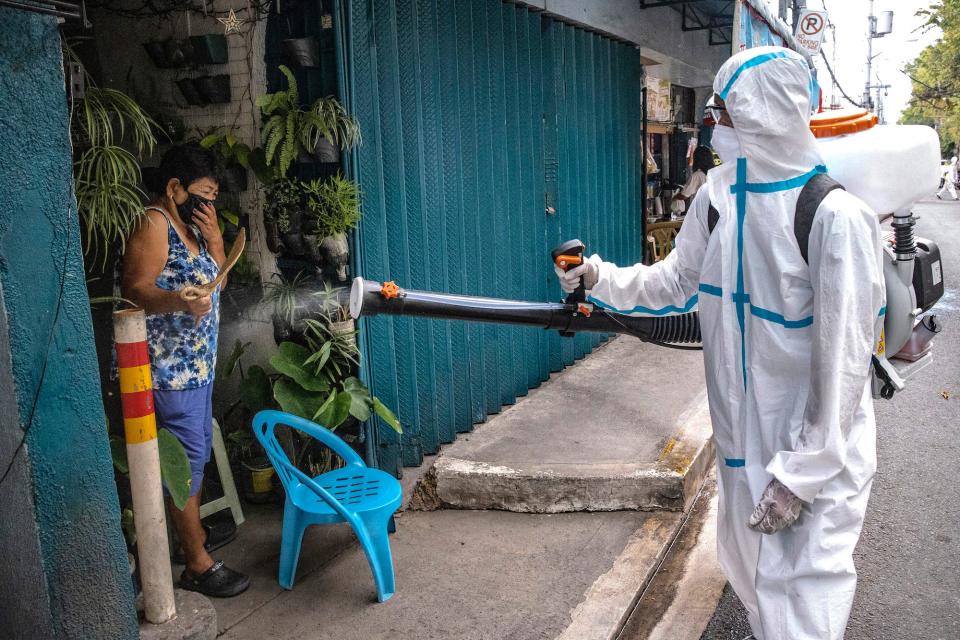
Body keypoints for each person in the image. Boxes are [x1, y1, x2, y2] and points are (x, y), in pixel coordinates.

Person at [556, 47, 883, 639]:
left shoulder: (835, 217)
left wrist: (804, 473)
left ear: (769, 116)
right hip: (741, 438)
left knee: (809, 589)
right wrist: (601, 277)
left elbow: (844, 363)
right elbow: (673, 283)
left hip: (815, 449)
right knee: (755, 575)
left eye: (726, 115)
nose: (715, 128)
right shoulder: (718, 197)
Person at [121, 144, 250, 597]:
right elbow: (134, 289)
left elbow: (216, 281)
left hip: (196, 370)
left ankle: (188, 541)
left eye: (214, 197)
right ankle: (197, 563)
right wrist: (178, 299)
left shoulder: (191, 224)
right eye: (201, 194)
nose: (208, 205)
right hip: (168, 373)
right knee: (185, 466)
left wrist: (215, 240)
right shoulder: (155, 222)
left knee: (191, 461)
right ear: (174, 188)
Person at [672, 146, 714, 214]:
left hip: (703, 211)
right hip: (715, 210)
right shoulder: (714, 173)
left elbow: (684, 195)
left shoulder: (697, 175)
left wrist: (675, 197)